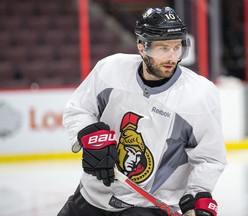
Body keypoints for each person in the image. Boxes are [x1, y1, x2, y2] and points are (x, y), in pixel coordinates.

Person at [58, 6, 227, 216]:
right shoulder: (110, 70)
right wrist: (89, 135)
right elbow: (79, 108)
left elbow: (209, 157)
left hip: (149, 207)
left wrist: (196, 195)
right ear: (141, 46)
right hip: (93, 197)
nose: (172, 57)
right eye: (162, 48)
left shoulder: (199, 95)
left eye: (177, 47)